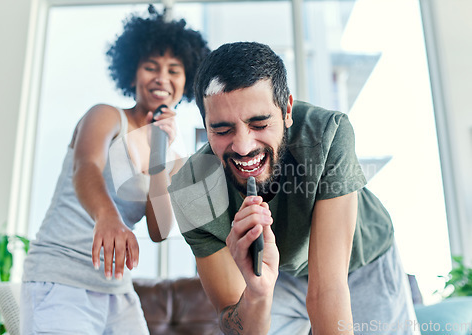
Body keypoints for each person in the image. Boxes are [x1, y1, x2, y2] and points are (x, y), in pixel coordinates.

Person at [168, 41, 420, 335]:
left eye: (260, 124)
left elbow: (327, 290)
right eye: (222, 130)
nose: (243, 146)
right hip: (280, 275)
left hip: (360, 265)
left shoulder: (327, 134)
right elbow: (234, 322)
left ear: (286, 110)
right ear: (206, 125)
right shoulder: (191, 191)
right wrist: (257, 292)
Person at [21, 6, 209, 334]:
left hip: (116, 289)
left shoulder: (171, 154)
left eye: (174, 70)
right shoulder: (106, 116)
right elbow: (86, 166)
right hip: (60, 277)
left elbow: (159, 230)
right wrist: (107, 216)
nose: (162, 77)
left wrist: (159, 153)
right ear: (132, 74)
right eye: (151, 67)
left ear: (186, 80)